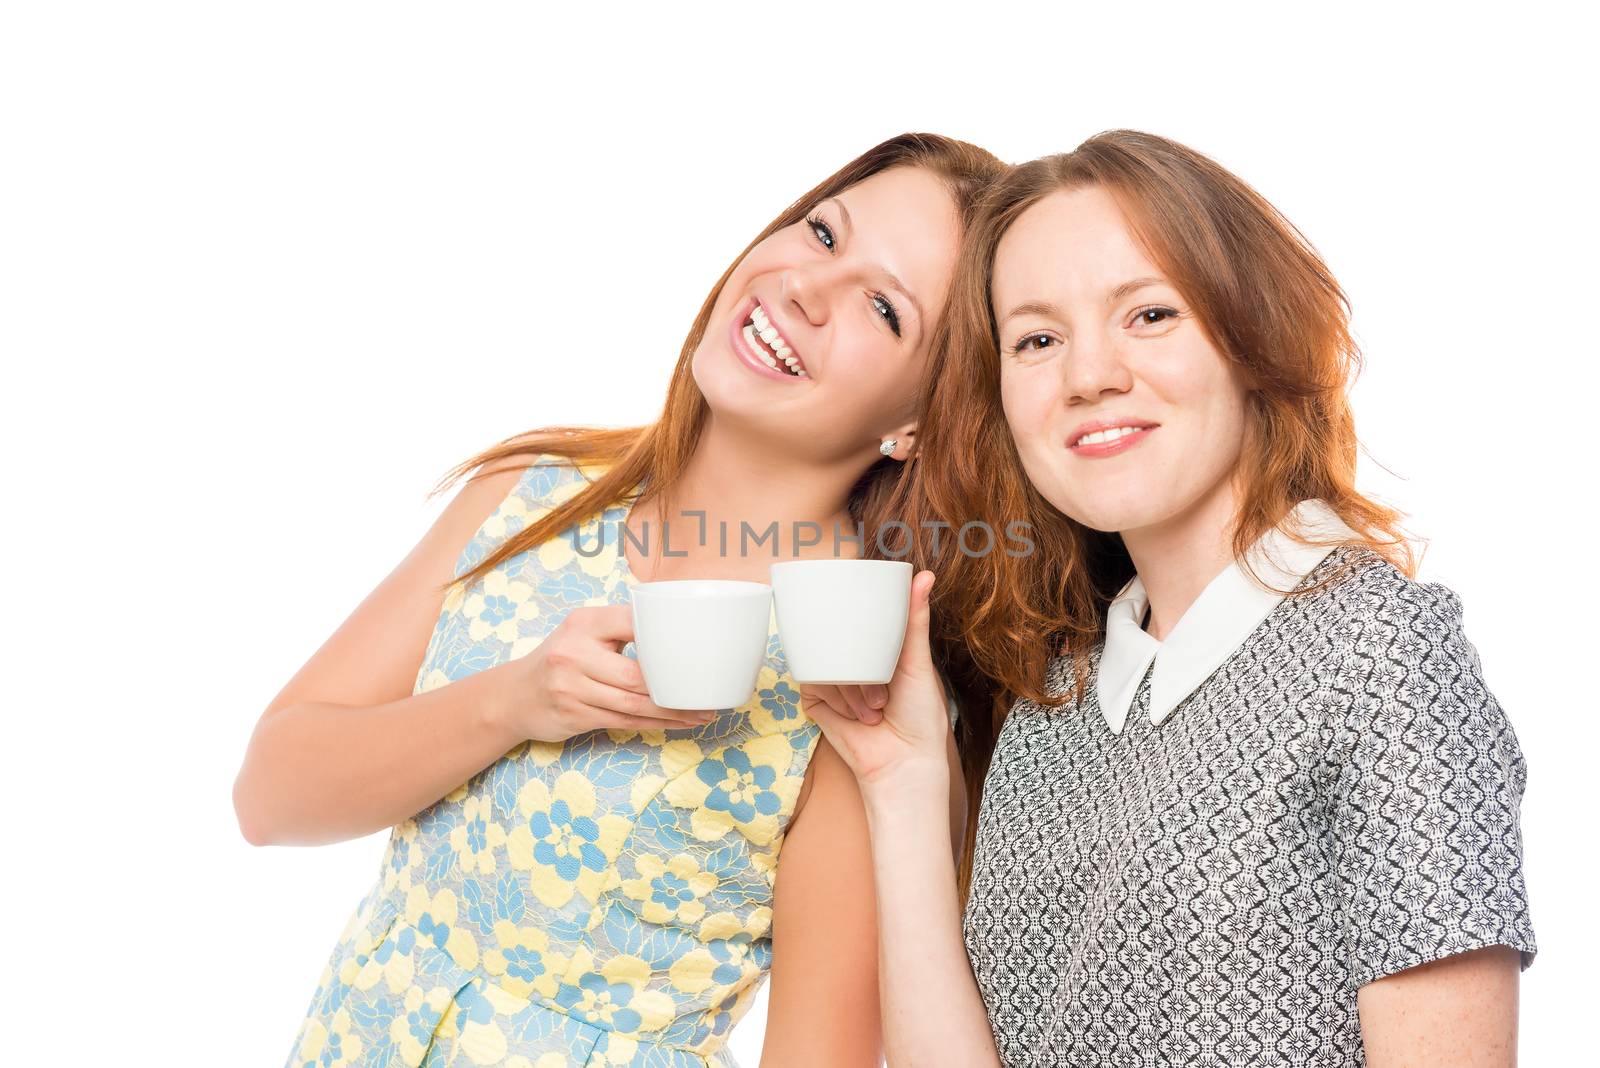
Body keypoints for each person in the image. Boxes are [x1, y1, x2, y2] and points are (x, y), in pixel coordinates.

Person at [232, 131, 1006, 1067]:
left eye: (883, 307)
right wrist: (514, 702)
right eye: (822, 232)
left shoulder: (848, 669)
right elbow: (268, 796)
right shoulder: (534, 493)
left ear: (920, 423)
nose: (806, 286)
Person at [803, 130, 1536, 1067]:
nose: (1088, 375)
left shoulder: (1379, 650)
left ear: (1253, 335)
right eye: (1036, 339)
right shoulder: (1057, 698)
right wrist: (903, 783)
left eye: (1148, 316)